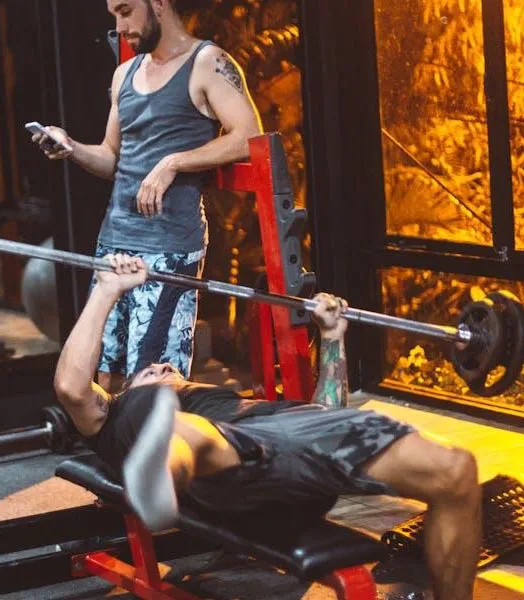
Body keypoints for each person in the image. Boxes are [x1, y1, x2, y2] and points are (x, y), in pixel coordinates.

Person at [54, 254, 482, 600]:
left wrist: (333, 337)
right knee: (186, 430)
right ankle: (161, 477)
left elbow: (325, 413)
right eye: (150, 372)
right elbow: (71, 387)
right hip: (224, 464)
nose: (163, 367)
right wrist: (106, 290)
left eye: (167, 367)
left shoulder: (231, 400)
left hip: (289, 438)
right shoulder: (120, 414)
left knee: (456, 470)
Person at [33, 0, 262, 392]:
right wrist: (71, 147)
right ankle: (120, 454)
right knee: (105, 376)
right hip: (114, 242)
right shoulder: (125, 74)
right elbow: (111, 158)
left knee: (151, 384)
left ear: (157, 3)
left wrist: (174, 161)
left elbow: (249, 137)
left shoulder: (206, 62)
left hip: (169, 247)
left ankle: (158, 452)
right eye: (115, 16)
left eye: (125, 11)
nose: (120, 26)